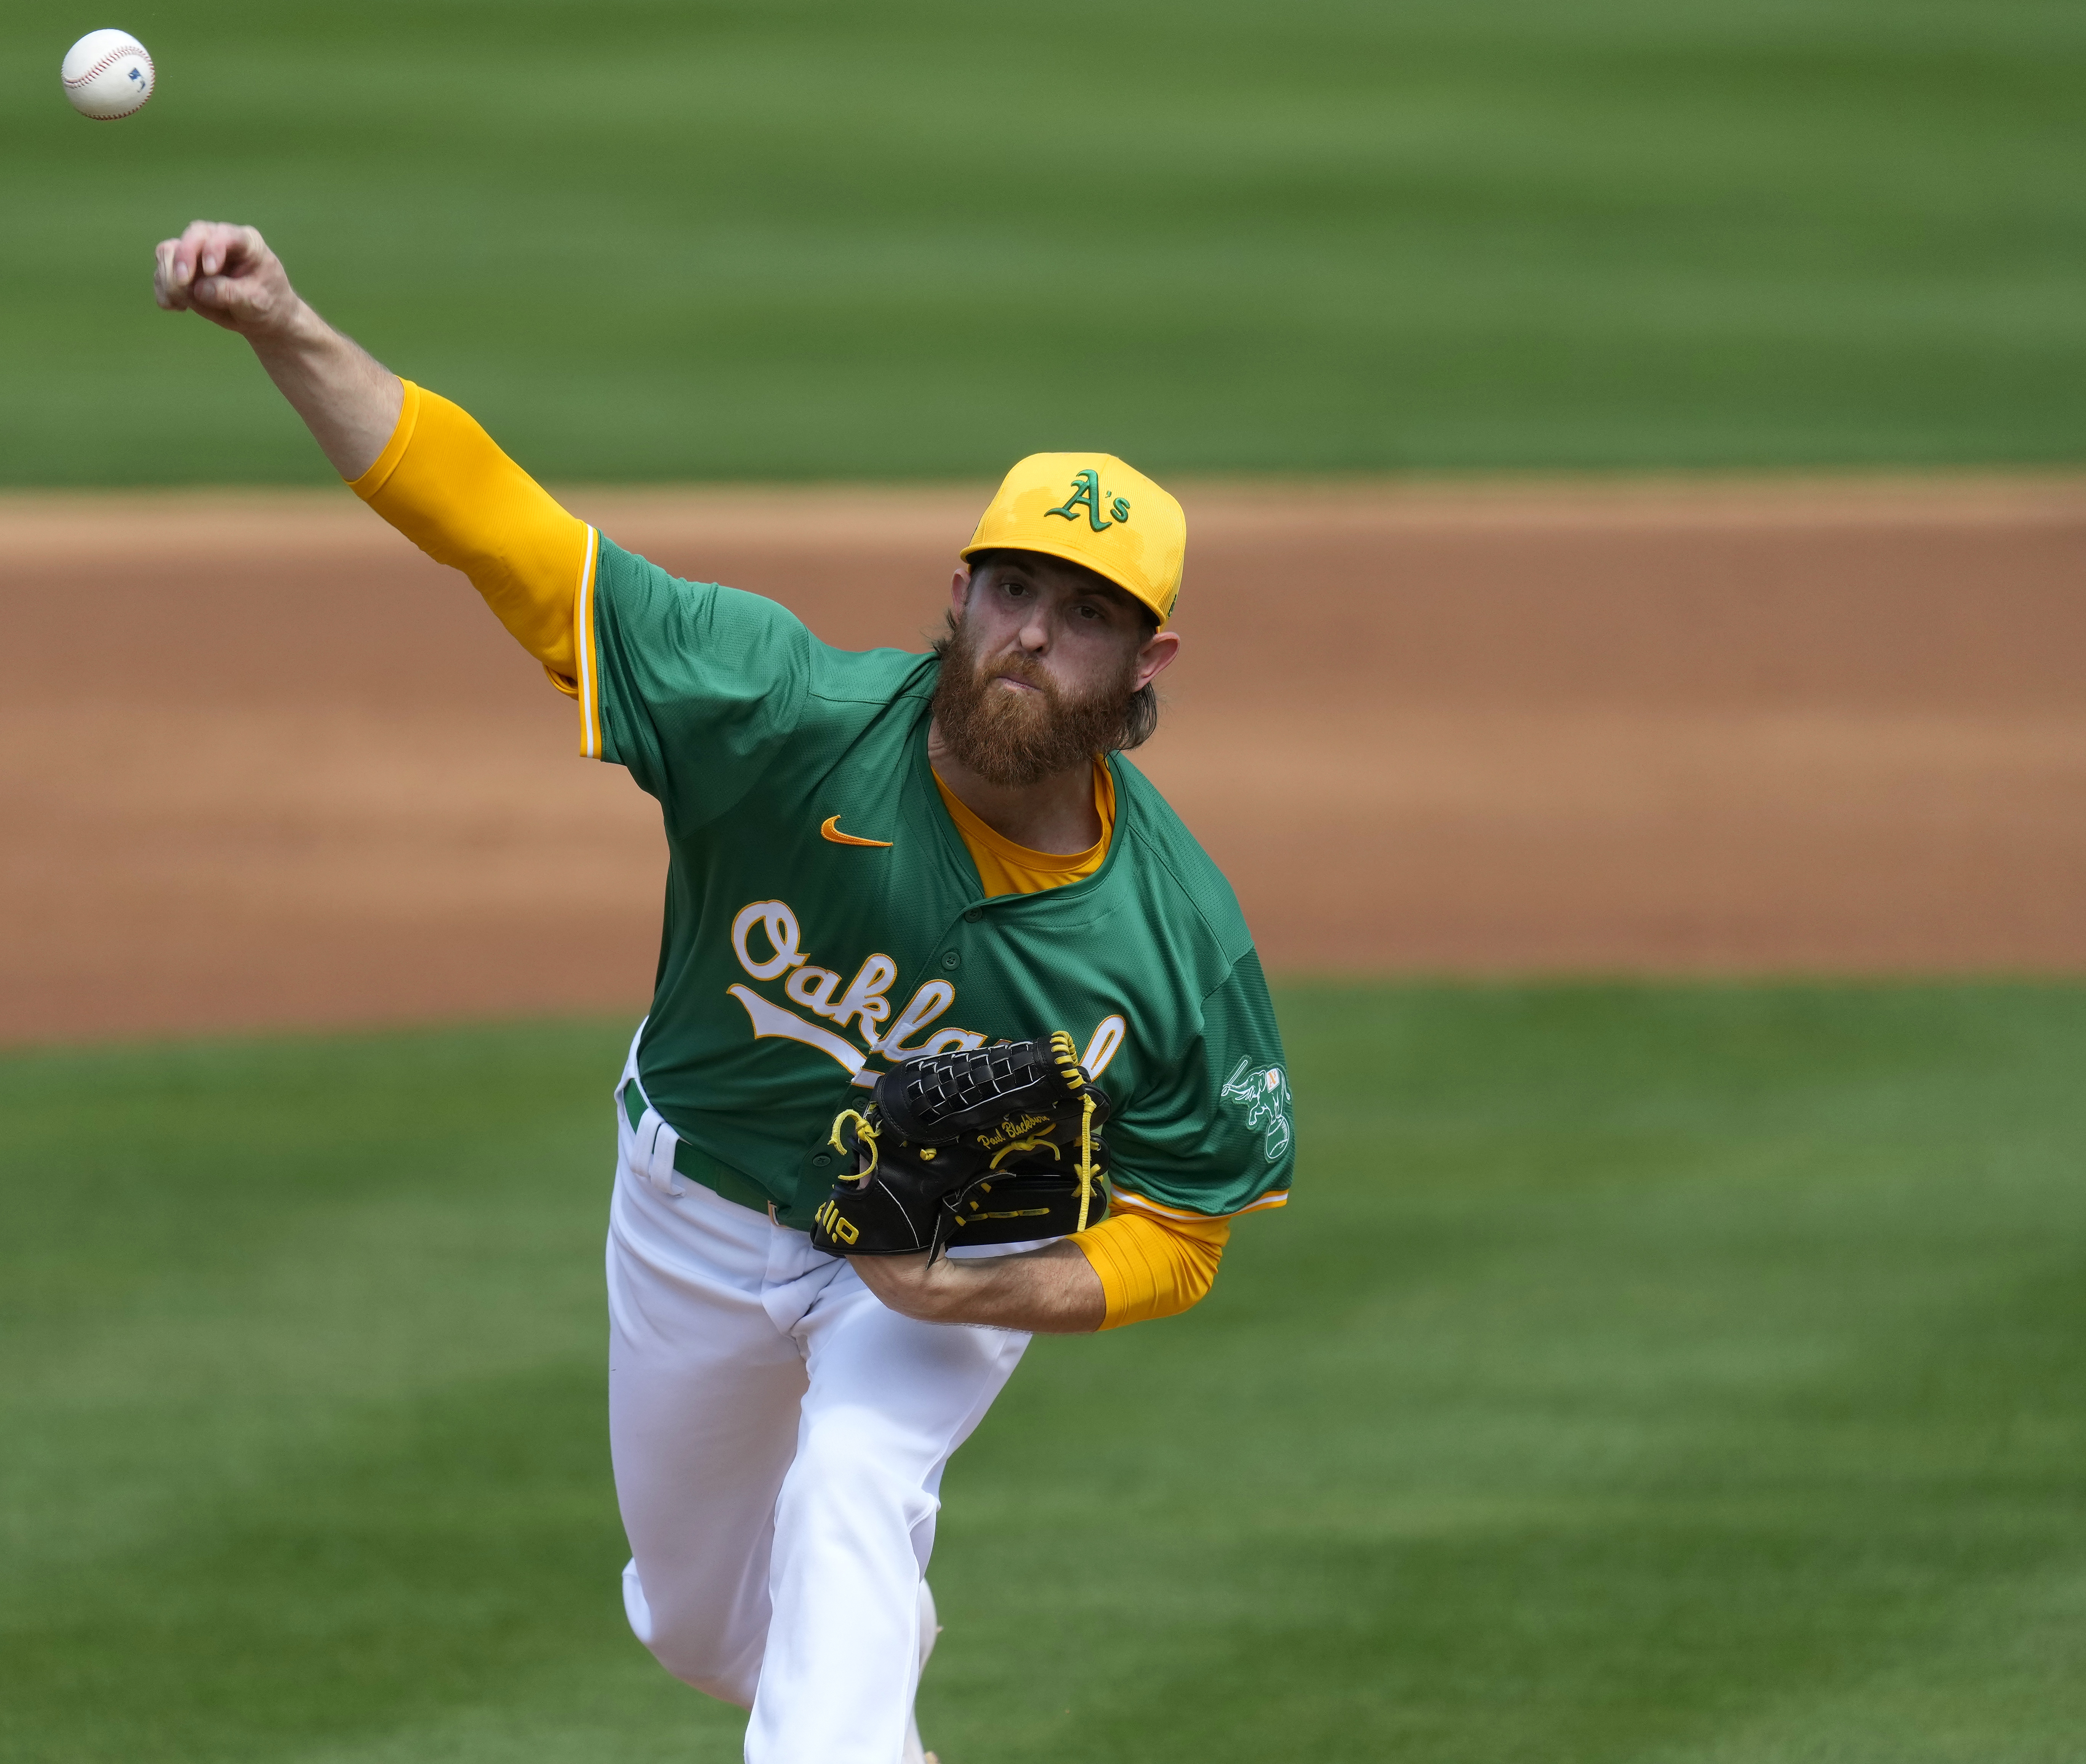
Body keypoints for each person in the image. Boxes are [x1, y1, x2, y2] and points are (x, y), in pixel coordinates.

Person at [152, 220, 1297, 1764]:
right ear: (955, 594)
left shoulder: (1177, 941)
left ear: (1149, 659)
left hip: (943, 1239)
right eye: (1015, 588)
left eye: (1085, 612)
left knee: (854, 1484)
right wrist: (288, 324)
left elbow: (1185, 1227)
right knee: (706, 1632)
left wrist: (978, 1289)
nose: (1035, 635)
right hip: (690, 1200)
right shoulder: (774, 708)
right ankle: (857, 1686)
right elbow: (506, 532)